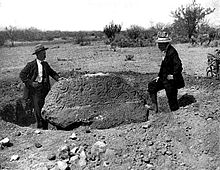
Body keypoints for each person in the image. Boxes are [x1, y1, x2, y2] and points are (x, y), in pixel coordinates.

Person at [20, 44, 61, 129]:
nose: (45, 55)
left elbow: (52, 73)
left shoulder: (45, 64)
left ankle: (45, 128)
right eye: (43, 53)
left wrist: (60, 79)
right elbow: (22, 75)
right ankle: (40, 128)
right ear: (38, 54)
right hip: (35, 91)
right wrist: (31, 83)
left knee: (45, 109)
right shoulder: (31, 65)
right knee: (38, 110)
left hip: (45, 90)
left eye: (45, 53)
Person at [147, 31, 185, 113]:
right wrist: (159, 76)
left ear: (165, 44)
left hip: (172, 80)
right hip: (164, 78)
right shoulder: (165, 51)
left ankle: (175, 113)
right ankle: (154, 107)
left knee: (171, 98)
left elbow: (179, 65)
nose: (158, 46)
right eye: (158, 44)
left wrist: (173, 76)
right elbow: (163, 66)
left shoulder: (172, 52)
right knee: (152, 85)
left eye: (160, 44)